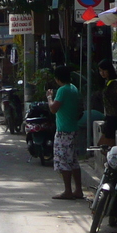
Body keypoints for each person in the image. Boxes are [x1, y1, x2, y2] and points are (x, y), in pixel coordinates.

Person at [47, 65, 83, 200]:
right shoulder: (73, 88)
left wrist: (49, 98)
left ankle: (68, 190)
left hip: (64, 130)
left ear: (57, 78)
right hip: (73, 128)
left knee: (63, 161)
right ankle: (78, 189)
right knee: (73, 160)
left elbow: (53, 109)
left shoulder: (62, 90)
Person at [98, 60, 117, 147]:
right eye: (100, 71)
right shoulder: (107, 83)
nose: (102, 73)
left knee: (105, 146)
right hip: (109, 117)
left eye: (104, 70)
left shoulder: (115, 84)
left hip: (116, 118)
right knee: (103, 146)